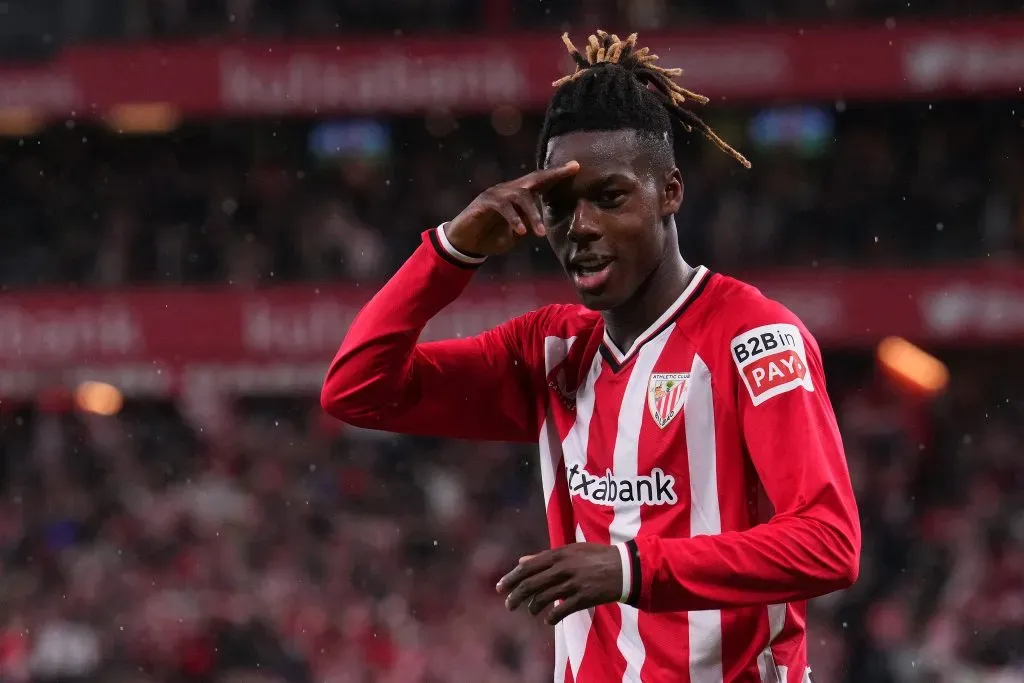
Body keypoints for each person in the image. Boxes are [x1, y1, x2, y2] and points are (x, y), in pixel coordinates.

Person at [321, 30, 860, 683]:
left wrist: (631, 567)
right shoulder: (551, 350)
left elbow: (830, 542)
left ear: (670, 192)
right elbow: (357, 389)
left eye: (610, 197)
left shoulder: (754, 336)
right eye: (559, 206)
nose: (581, 228)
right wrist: (451, 251)